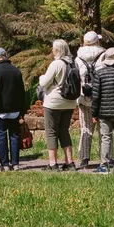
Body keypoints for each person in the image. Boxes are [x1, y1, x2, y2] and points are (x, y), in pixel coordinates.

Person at [38, 38, 77, 171]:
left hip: (54, 102)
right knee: (64, 131)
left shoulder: (56, 64)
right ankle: (69, 162)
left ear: (58, 50)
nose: (52, 50)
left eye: (53, 48)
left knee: (51, 132)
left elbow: (44, 83)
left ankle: (53, 163)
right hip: (70, 102)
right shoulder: (73, 63)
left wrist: (41, 77)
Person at [0, 48, 27, 171]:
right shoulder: (16, 71)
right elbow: (21, 92)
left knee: (1, 136)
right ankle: (15, 163)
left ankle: (4, 164)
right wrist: (22, 110)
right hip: (15, 108)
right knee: (14, 136)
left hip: (0, 108)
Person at [75, 31, 106, 169]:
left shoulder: (78, 58)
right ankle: (105, 157)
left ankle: (84, 157)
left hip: (84, 97)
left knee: (85, 128)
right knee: (103, 129)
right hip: (101, 97)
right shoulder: (104, 55)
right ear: (97, 42)